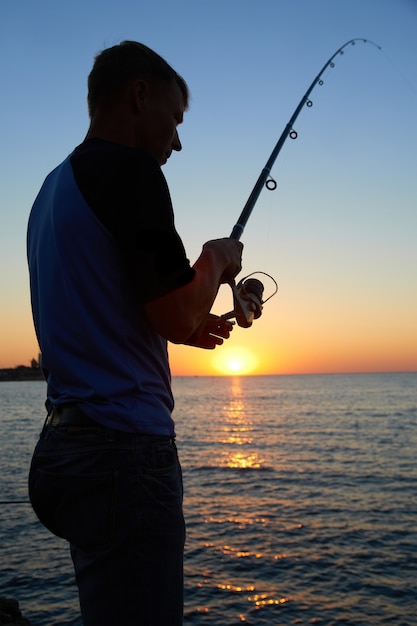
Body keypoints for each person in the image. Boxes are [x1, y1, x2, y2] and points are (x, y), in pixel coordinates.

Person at [27, 41, 243, 626]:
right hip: (121, 456)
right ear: (139, 95)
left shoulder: (53, 189)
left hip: (63, 453)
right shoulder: (131, 171)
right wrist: (217, 259)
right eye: (174, 121)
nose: (177, 141)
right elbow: (173, 312)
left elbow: (119, 307)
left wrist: (192, 326)